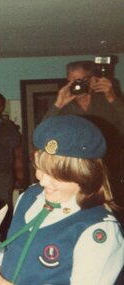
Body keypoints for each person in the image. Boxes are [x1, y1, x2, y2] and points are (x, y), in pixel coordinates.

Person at [0, 115, 124, 285]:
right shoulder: (29, 197)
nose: (43, 181)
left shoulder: (98, 229)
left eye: (57, 176)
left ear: (85, 175)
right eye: (39, 168)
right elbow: (19, 255)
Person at [44, 60, 124, 226]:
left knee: (114, 215)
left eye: (78, 80)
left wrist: (112, 97)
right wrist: (58, 104)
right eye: (70, 81)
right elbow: (43, 134)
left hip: (110, 169)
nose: (75, 85)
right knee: (81, 213)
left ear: (92, 80)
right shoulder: (65, 108)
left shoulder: (107, 101)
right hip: (79, 171)